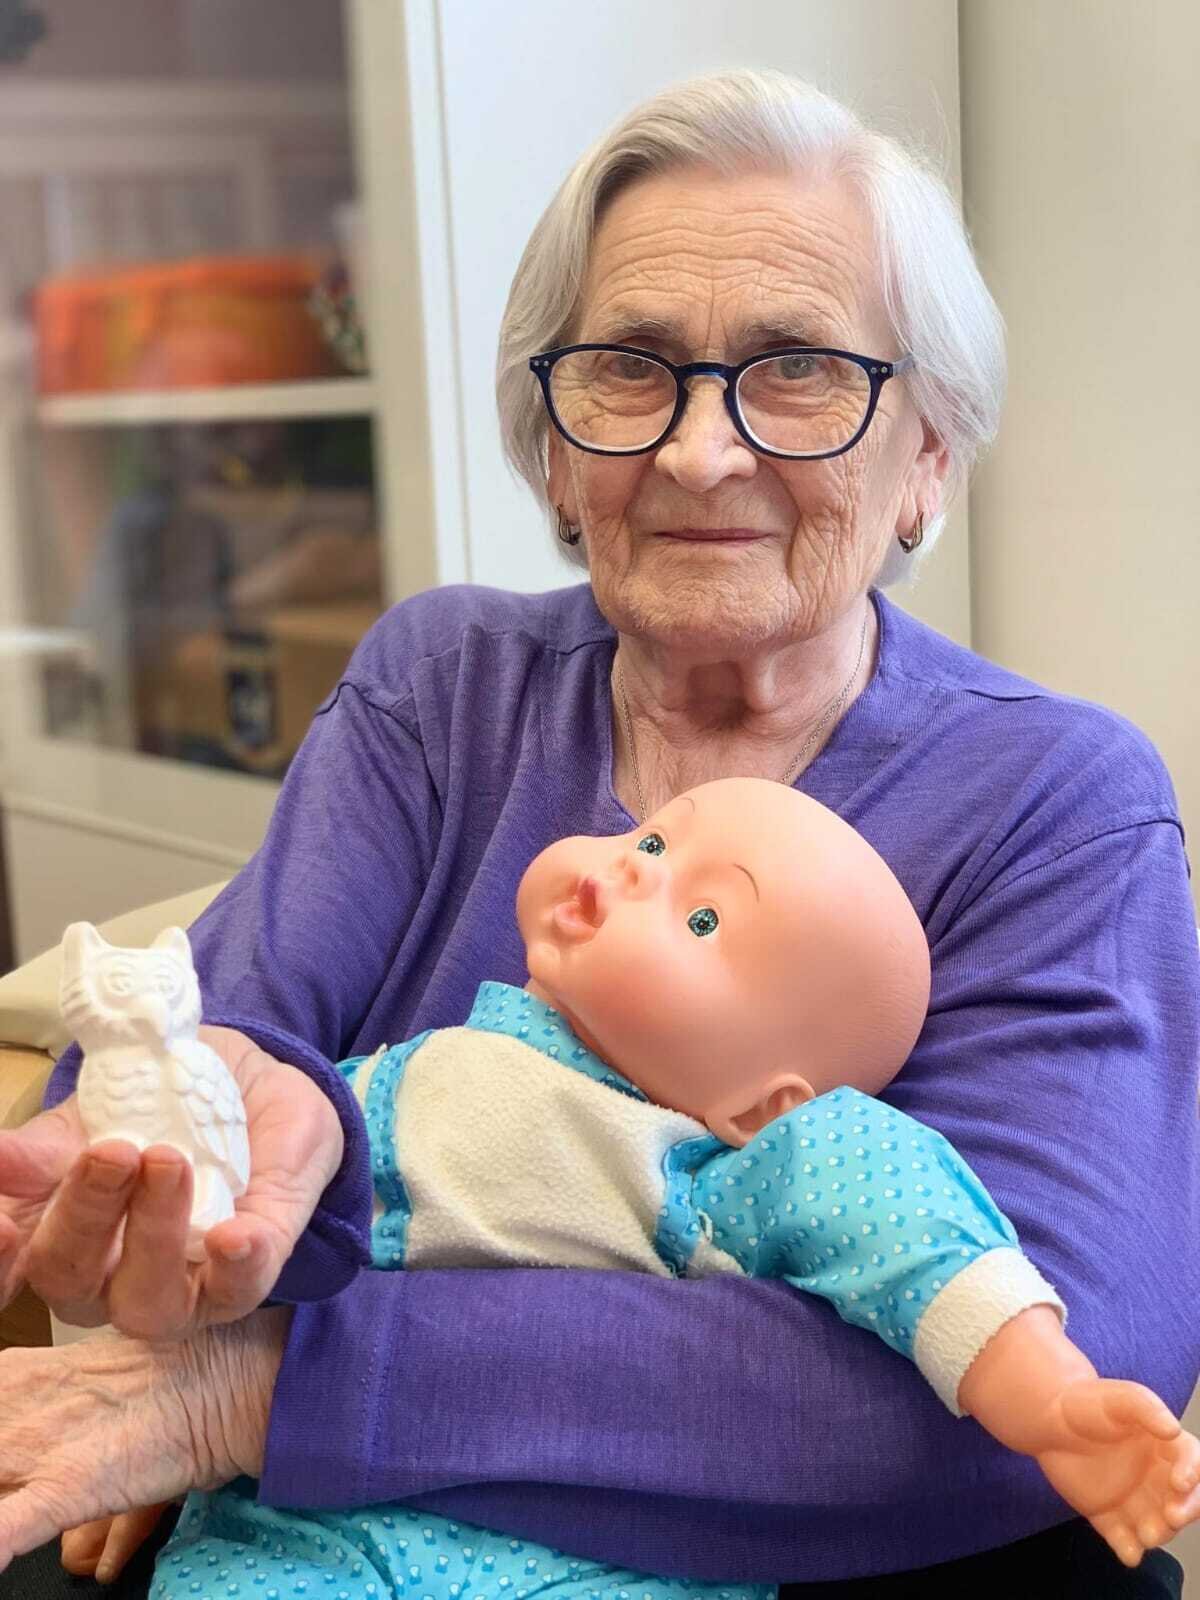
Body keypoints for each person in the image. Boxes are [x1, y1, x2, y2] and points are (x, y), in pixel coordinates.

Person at [0, 67, 1197, 1598]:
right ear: (557, 450)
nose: (699, 452)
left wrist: (272, 1390)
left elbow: (1057, 1372)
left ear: (929, 458)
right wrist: (163, 1144)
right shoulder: (444, 685)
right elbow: (214, 1039)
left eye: (800, 367)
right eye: (631, 368)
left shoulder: (1055, 797)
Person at [145, 777, 1200, 1600]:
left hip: (593, 1557)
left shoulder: (726, 1174)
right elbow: (254, 1212)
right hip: (291, 1526)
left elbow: (906, 1227)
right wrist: (158, 1383)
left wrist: (1049, 1397)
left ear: (763, 1104)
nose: (631, 871)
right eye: (652, 842)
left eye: (703, 921)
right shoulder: (392, 1077)